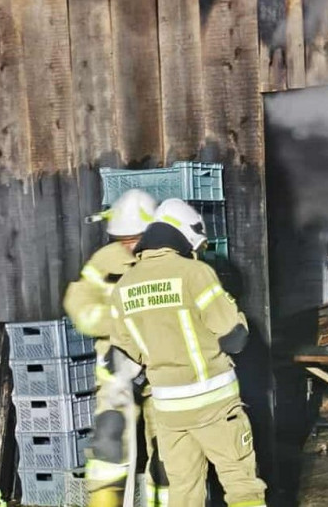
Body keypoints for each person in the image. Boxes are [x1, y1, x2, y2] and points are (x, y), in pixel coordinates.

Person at [108, 198, 267, 507]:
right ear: (185, 236)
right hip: (215, 406)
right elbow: (235, 338)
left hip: (168, 410)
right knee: (242, 484)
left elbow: (126, 357)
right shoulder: (196, 273)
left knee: (183, 492)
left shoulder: (124, 286)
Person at [63, 189, 167, 507]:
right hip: (115, 370)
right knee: (109, 439)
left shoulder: (170, 258)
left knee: (167, 453)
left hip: (163, 370)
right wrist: (117, 323)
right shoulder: (105, 261)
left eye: (135, 236)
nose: (128, 244)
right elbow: (78, 303)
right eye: (122, 237)